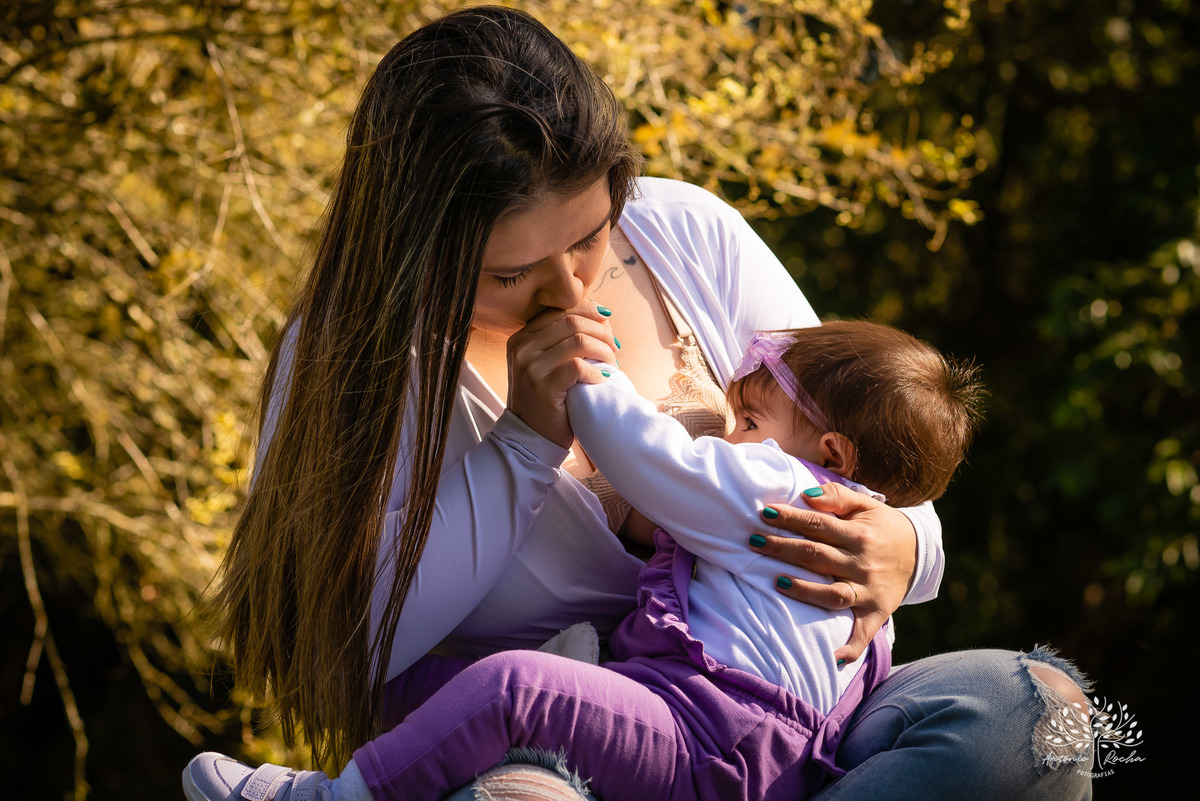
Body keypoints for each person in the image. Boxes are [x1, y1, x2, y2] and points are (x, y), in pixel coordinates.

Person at [184, 6, 1094, 801]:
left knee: (1033, 718)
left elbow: (871, 446)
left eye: (588, 236)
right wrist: (525, 442)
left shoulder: (686, 231)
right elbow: (342, 646)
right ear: (415, 248)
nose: (569, 290)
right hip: (554, 749)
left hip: (780, 717)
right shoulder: (352, 359)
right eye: (511, 274)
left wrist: (906, 547)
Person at [185, 320, 985, 801]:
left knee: (514, 688)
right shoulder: (859, 532)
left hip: (714, 733)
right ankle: (382, 723)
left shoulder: (781, 488)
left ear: (832, 451)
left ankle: (334, 796)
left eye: (747, 419)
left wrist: (586, 371)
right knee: (442, 686)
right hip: (758, 746)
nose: (728, 434)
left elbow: (648, 456)